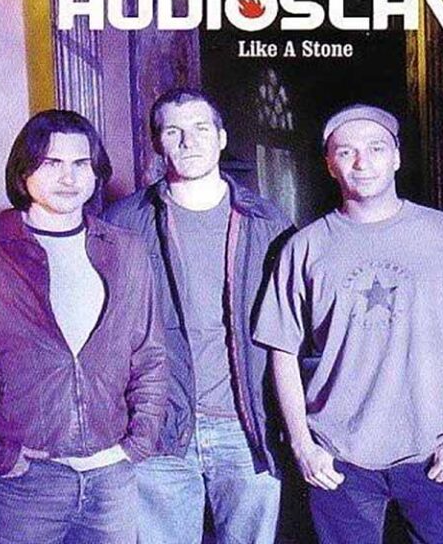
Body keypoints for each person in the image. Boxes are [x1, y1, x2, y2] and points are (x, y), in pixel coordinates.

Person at [0, 110, 169, 544]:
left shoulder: (126, 250)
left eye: (81, 163)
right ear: (23, 171)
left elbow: (149, 355)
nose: (68, 177)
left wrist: (139, 441)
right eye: (52, 162)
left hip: (111, 479)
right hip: (22, 482)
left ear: (96, 173)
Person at [253, 104, 443, 543]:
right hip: (339, 458)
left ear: (396, 157)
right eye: (346, 151)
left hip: (434, 451)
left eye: (376, 148)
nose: (362, 162)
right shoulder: (305, 247)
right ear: (329, 165)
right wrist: (303, 446)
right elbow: (281, 351)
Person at [103, 88, 292, 543]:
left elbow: (292, 331)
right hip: (158, 426)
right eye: (174, 131)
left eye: (200, 128)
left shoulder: (269, 222)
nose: (188, 141)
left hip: (247, 427)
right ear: (157, 143)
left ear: (221, 138)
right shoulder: (121, 223)